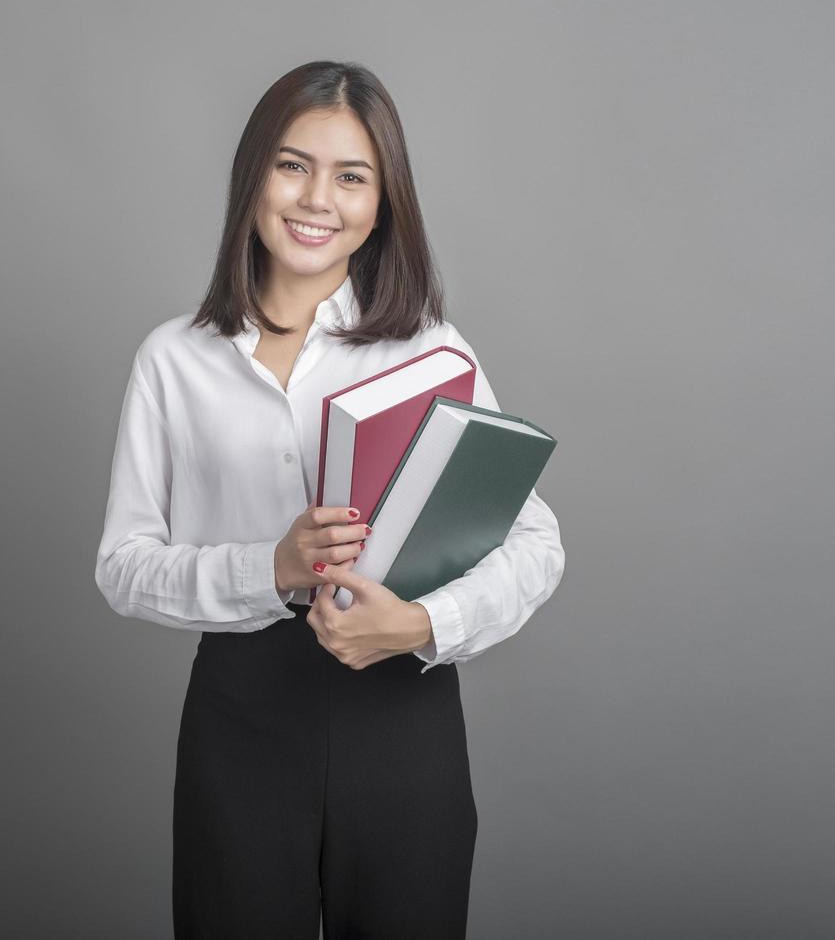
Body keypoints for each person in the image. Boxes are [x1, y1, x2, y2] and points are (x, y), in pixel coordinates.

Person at [93, 60, 565, 939]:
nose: (318, 199)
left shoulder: (427, 351)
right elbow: (122, 568)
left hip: (400, 714)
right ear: (253, 177)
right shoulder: (173, 358)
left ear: (382, 205)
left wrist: (421, 627)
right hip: (241, 720)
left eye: (352, 176)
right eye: (292, 164)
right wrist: (266, 569)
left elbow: (536, 542)